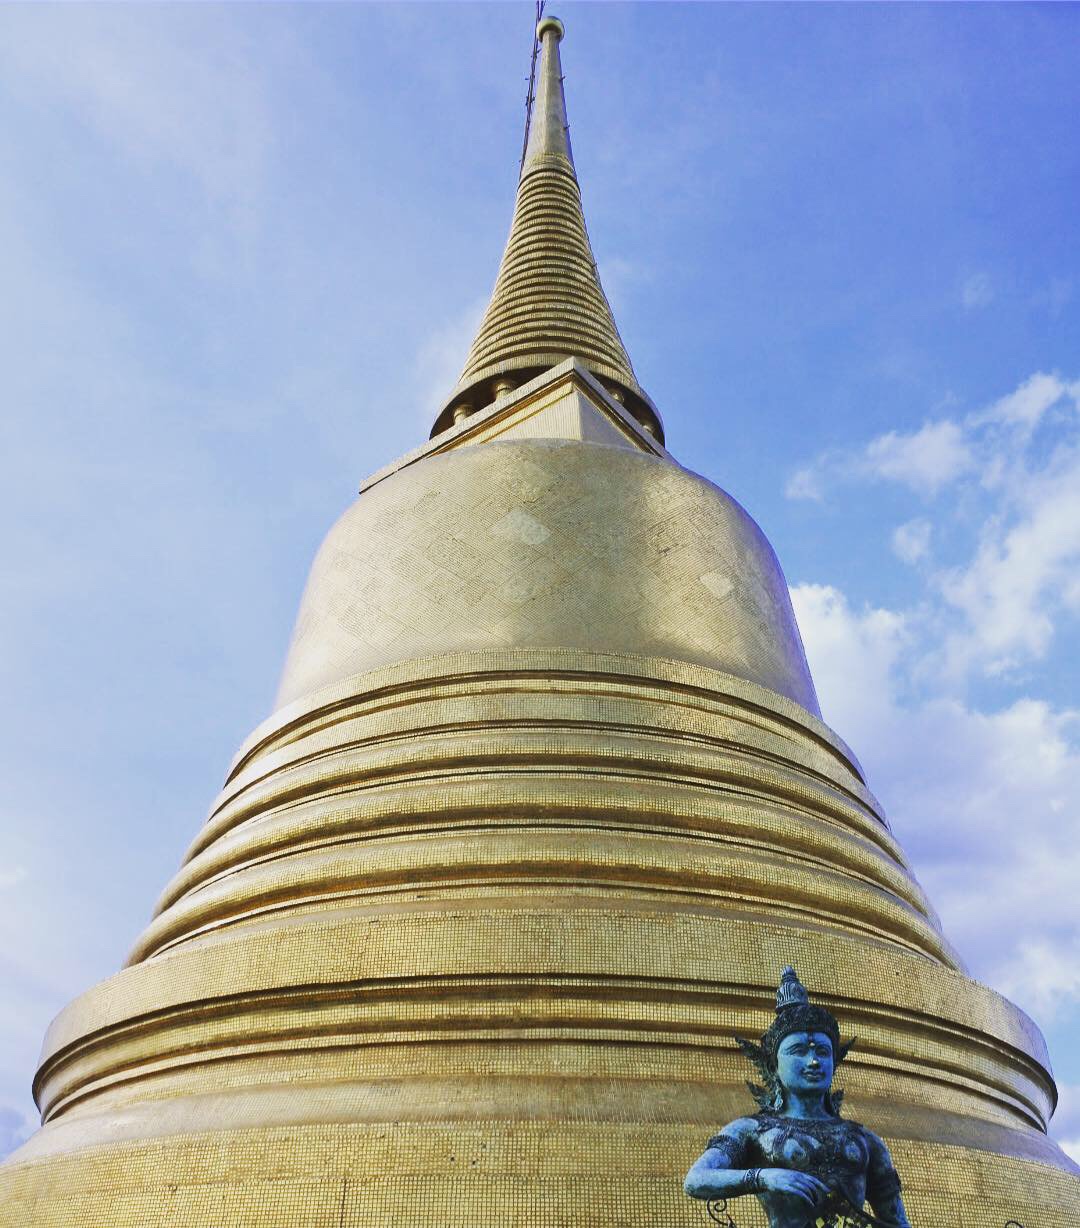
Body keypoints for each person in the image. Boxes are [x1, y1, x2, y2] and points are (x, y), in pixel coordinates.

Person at [684, 967, 912, 1228]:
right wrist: (764, 1177)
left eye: (823, 1052)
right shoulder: (755, 1130)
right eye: (799, 1051)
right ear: (773, 1067)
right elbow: (696, 1179)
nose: (814, 1061)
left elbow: (897, 1221)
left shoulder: (864, 1140)